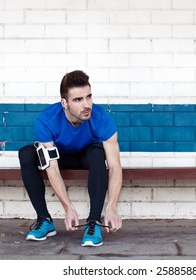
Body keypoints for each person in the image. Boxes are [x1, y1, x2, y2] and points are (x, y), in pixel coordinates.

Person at [18, 70, 123, 247]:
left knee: (98, 152)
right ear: (64, 103)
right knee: (26, 153)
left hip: (86, 156)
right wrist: (68, 208)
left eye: (89, 97)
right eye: (78, 100)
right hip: (60, 158)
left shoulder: (102, 118)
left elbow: (114, 167)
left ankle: (94, 222)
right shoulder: (46, 120)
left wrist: (112, 207)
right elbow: (51, 168)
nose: (86, 104)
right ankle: (44, 219)